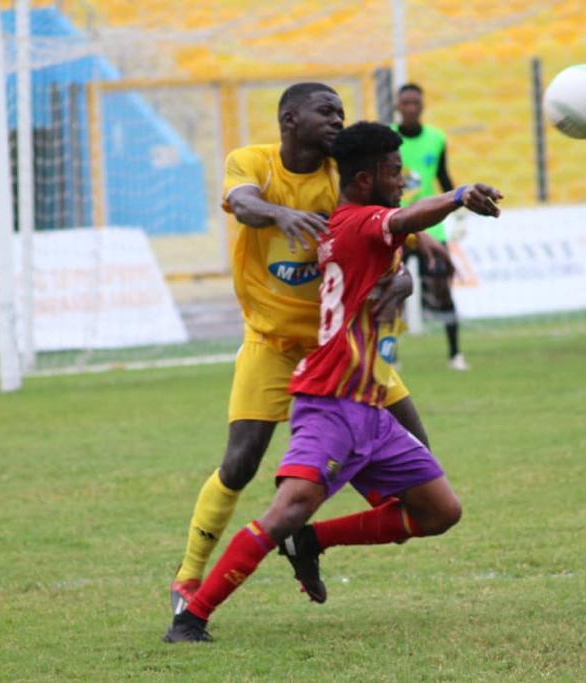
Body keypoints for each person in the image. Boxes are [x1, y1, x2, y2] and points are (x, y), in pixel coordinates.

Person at [163, 121, 503, 643]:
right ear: (365, 180)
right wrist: (456, 196)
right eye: (395, 173)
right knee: (286, 507)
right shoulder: (358, 221)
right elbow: (401, 219)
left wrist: (409, 270)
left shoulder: (362, 220)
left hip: (369, 400)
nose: (404, 179)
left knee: (439, 511)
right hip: (331, 400)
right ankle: (192, 615)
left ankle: (312, 541)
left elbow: (395, 237)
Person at [393, 83, 467, 371]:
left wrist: (459, 209)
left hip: (430, 226)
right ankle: (391, 356)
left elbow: (443, 178)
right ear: (398, 106)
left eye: (416, 103)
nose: (411, 107)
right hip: (396, 223)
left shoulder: (436, 138)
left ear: (422, 106)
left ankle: (455, 354)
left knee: (441, 289)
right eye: (406, 102)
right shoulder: (387, 137)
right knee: (390, 290)